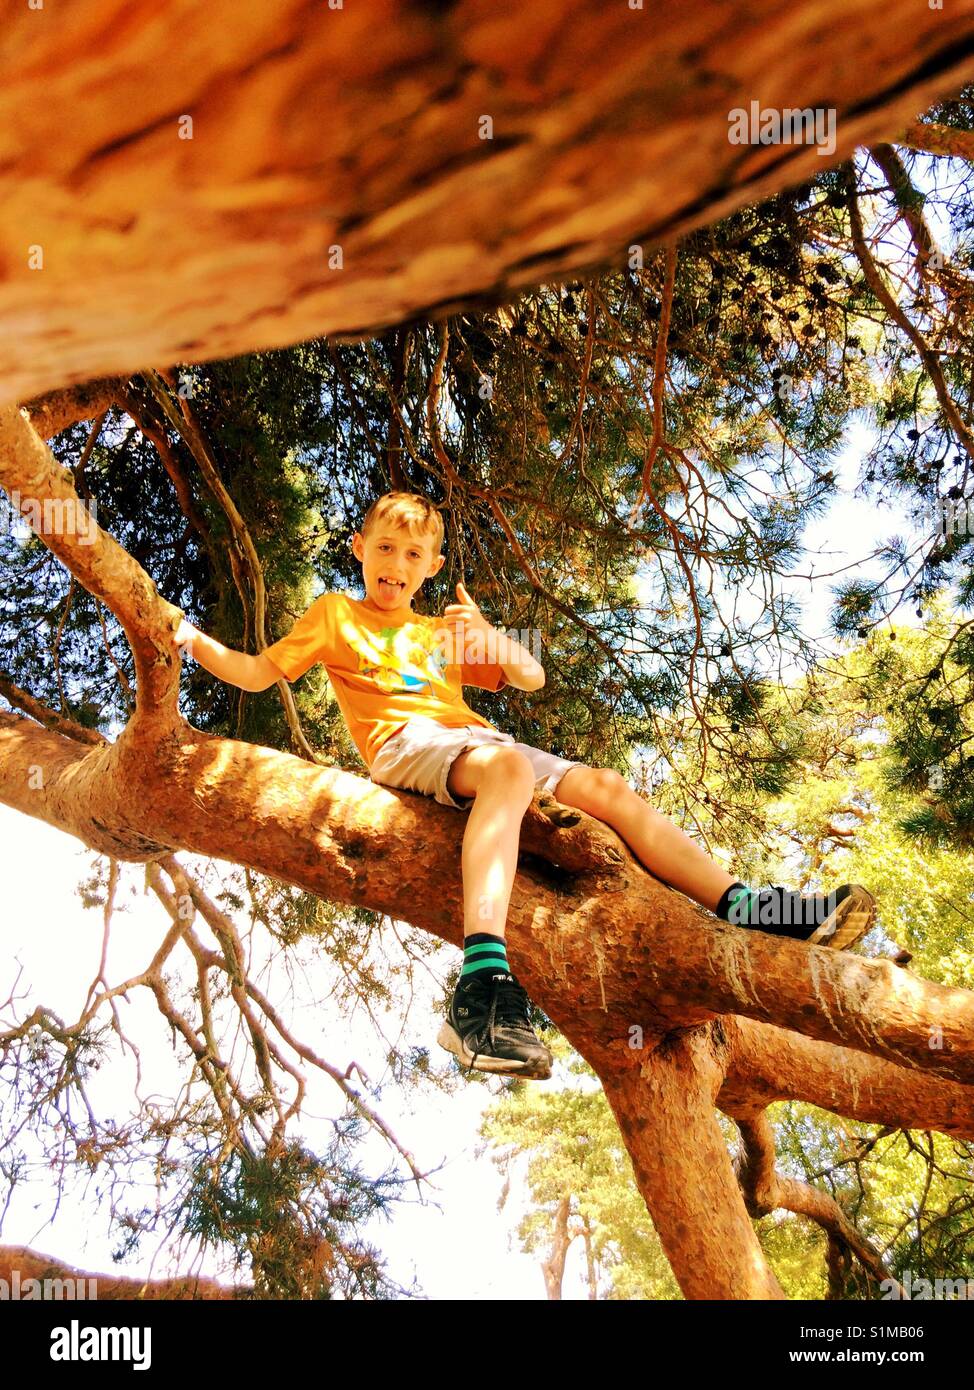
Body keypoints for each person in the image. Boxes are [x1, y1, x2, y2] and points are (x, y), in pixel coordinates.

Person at [173, 491, 877, 1083]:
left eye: (414, 555)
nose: (397, 565)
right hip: (404, 748)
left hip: (479, 742)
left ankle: (744, 903)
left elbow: (532, 677)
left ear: (433, 566)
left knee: (604, 788)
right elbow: (259, 672)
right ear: (359, 548)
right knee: (508, 770)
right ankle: (481, 987)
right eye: (385, 548)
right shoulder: (336, 613)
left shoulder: (436, 632)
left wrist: (487, 634)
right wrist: (187, 638)